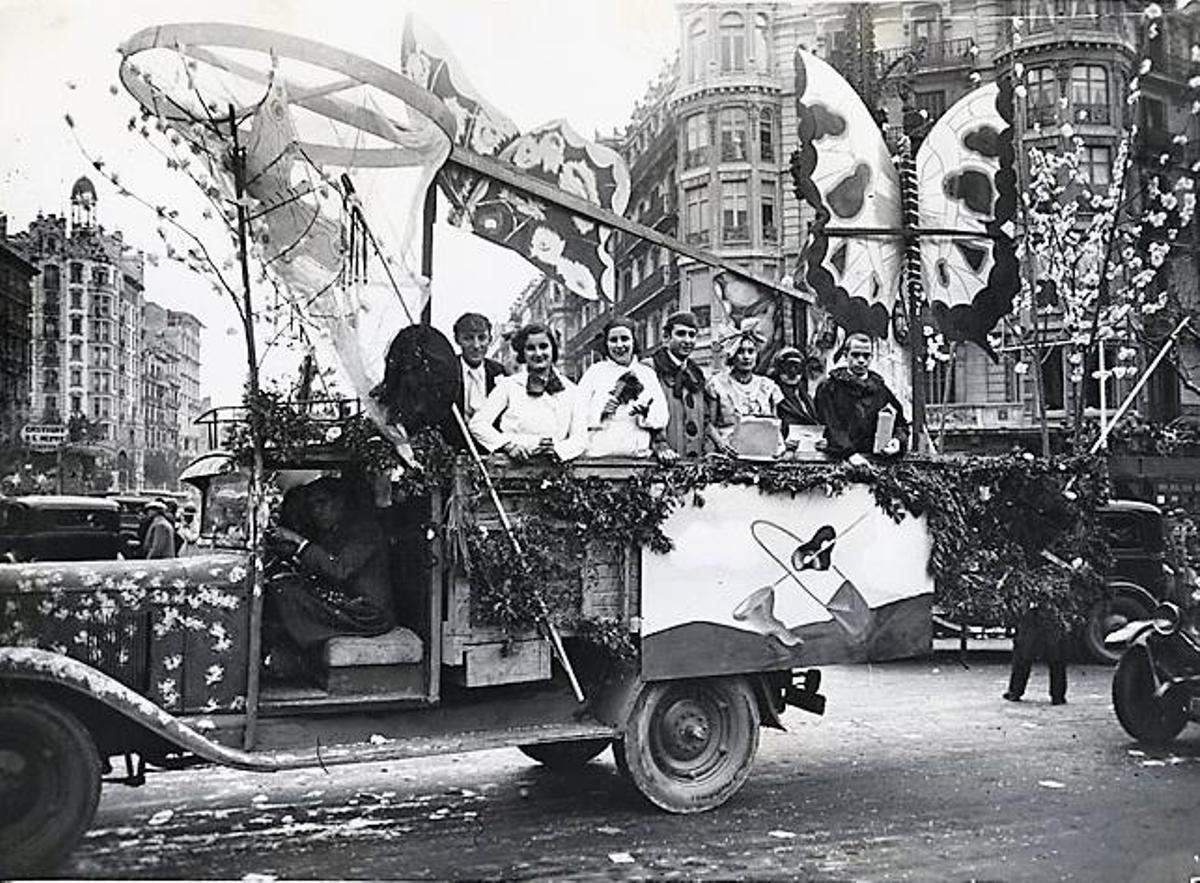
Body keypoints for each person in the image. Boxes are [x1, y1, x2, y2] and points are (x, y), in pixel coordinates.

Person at [263, 476, 395, 657]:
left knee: (284, 592)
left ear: (340, 502)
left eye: (322, 503)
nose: (316, 511)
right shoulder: (333, 530)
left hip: (367, 613)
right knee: (282, 585)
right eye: (312, 506)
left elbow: (338, 570)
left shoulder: (365, 531)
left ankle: (294, 656)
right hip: (348, 602)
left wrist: (298, 541)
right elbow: (320, 563)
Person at [469, 322, 586, 461]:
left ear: (553, 349)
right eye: (531, 348)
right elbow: (478, 424)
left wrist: (557, 450)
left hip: (554, 468)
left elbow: (580, 438)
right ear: (522, 353)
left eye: (543, 347)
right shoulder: (509, 386)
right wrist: (508, 445)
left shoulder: (572, 391)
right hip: (512, 467)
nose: (538, 354)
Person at [577, 317, 669, 457]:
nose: (619, 345)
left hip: (637, 457)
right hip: (600, 458)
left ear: (633, 341)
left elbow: (662, 417)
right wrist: (600, 412)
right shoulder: (594, 373)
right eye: (613, 340)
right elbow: (576, 415)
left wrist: (646, 413)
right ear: (606, 344)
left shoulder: (647, 374)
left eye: (625, 339)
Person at [814, 331, 909, 466]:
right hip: (838, 460)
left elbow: (900, 423)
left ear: (871, 357)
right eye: (855, 355)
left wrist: (897, 441)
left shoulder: (880, 389)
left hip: (875, 461)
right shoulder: (830, 388)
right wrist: (849, 454)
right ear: (846, 355)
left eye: (866, 356)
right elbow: (831, 425)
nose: (861, 360)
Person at [642, 311, 711, 459]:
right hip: (658, 463)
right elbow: (639, 414)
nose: (687, 340)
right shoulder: (649, 368)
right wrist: (659, 445)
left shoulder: (696, 374)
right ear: (666, 337)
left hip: (692, 465)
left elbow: (704, 420)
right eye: (681, 334)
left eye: (692, 335)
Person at [706, 332, 784, 456]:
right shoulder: (717, 384)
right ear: (732, 355)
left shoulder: (767, 386)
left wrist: (778, 448)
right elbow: (709, 423)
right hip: (730, 452)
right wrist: (721, 443)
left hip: (762, 452)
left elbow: (775, 424)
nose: (746, 357)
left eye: (751, 351)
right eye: (740, 352)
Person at [1004, 605, 1069, 705]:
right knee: (1056, 654)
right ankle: (1058, 695)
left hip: (1035, 613)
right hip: (1052, 611)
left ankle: (1015, 691)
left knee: (1024, 652)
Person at [453, 312, 506, 421]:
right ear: (457, 340)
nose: (476, 346)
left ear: (490, 339)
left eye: (482, 338)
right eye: (468, 338)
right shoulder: (448, 370)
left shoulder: (499, 372)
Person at [770, 347, 820, 432]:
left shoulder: (805, 397)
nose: (793, 371)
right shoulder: (774, 396)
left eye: (797, 367)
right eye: (787, 366)